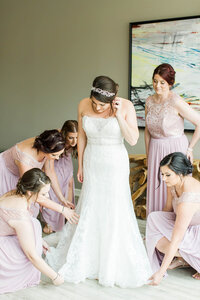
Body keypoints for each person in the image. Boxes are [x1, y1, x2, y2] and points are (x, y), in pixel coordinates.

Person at [46, 75, 152, 288]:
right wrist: (82, 165)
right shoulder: (83, 104)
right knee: (91, 206)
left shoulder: (126, 106)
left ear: (113, 98)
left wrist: (119, 114)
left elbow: (132, 139)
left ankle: (109, 262)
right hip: (93, 161)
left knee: (114, 208)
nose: (97, 107)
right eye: (94, 102)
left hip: (114, 163)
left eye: (102, 104)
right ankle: (86, 258)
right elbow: (83, 137)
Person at [0, 168, 78, 294]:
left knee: (34, 224)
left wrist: (39, 240)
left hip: (6, 231)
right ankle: (21, 273)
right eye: (43, 194)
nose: (46, 197)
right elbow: (32, 255)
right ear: (30, 192)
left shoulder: (16, 193)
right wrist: (55, 277)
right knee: (30, 246)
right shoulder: (20, 214)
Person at [145, 63, 200, 215]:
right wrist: (149, 154)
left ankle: (175, 231)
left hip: (174, 149)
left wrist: (190, 148)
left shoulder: (176, 101)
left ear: (170, 83)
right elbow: (147, 131)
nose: (158, 85)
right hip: (156, 150)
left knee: (175, 193)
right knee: (156, 188)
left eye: (162, 82)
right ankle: (156, 230)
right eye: (155, 81)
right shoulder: (149, 101)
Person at [146, 152, 200, 286]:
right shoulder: (173, 184)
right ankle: (186, 258)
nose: (163, 179)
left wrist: (160, 272)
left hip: (196, 233)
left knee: (167, 243)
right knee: (154, 218)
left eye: (167, 175)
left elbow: (176, 238)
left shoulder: (188, 198)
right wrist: (154, 232)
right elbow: (167, 210)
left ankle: (189, 258)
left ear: (181, 173)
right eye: (162, 174)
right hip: (186, 227)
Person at [0, 129, 74, 217]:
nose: (57, 158)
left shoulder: (49, 143)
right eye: (54, 155)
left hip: (26, 175)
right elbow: (33, 191)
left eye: (59, 154)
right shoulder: (25, 159)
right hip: (6, 174)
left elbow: (50, 171)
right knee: (13, 211)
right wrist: (62, 210)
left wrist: (61, 199)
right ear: (45, 150)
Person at [42, 120, 78, 233]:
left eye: (76, 138)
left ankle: (68, 212)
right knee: (53, 187)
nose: (74, 141)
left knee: (69, 184)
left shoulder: (77, 141)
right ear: (64, 134)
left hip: (66, 160)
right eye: (71, 138)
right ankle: (50, 221)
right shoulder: (57, 138)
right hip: (54, 161)